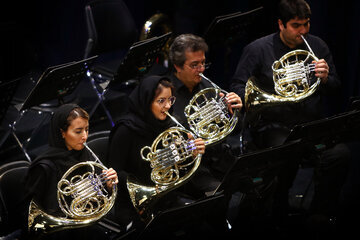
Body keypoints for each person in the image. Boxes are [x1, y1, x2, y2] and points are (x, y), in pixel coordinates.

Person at [230, 0, 350, 232]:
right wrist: (238, 97)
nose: (303, 31)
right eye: (296, 25)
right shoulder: (257, 49)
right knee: (285, 152)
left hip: (310, 125)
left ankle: (320, 214)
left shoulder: (317, 46)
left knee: (340, 155)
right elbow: (238, 84)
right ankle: (276, 213)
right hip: (272, 125)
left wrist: (325, 78)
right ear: (280, 24)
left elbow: (335, 86)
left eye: (306, 24)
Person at [106, 75, 206, 234]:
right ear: (146, 101)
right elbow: (114, 171)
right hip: (135, 203)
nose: (167, 106)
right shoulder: (125, 129)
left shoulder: (172, 125)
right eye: (161, 101)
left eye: (170, 100)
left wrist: (191, 156)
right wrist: (144, 189)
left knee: (202, 217)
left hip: (167, 196)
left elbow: (179, 170)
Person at [23, 103, 118, 240]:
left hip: (84, 227)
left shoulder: (86, 154)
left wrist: (108, 185)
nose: (85, 136)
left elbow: (99, 196)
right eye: (78, 131)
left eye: (87, 129)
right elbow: (29, 212)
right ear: (62, 133)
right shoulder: (44, 167)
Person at [167, 34, 243, 193]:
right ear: (177, 66)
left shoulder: (207, 86)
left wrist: (233, 112)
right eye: (194, 65)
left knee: (254, 181)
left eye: (203, 63)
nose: (201, 70)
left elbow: (235, 130)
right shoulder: (164, 94)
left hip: (218, 157)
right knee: (218, 193)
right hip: (190, 167)